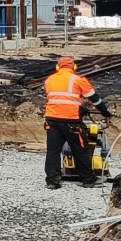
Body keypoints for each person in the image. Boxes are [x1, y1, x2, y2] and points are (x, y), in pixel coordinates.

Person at [43, 54, 95, 188]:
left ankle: (52, 181)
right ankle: (88, 180)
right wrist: (105, 111)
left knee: (53, 151)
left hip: (52, 120)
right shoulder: (78, 79)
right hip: (72, 122)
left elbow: (58, 98)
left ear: (57, 67)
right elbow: (94, 97)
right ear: (74, 67)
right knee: (80, 150)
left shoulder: (49, 80)